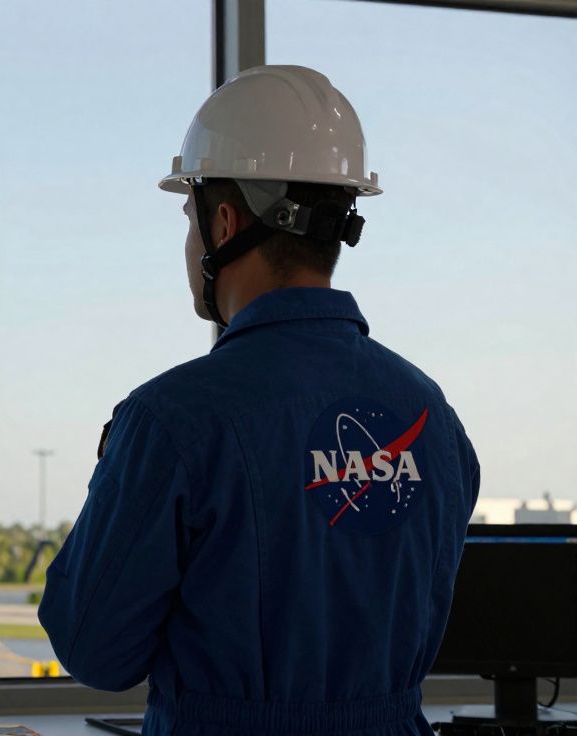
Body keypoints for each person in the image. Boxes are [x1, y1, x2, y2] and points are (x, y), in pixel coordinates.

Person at [37, 65, 479, 736]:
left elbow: (96, 650)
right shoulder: (433, 418)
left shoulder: (173, 420)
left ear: (223, 221)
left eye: (190, 217)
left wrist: (117, 474)